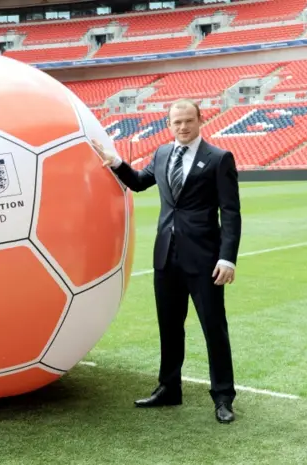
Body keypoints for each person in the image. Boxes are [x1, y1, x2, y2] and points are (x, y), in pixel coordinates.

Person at [91, 98, 241, 424]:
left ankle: (223, 396)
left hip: (205, 261)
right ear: (169, 125)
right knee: (169, 328)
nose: (183, 127)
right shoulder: (161, 153)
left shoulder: (218, 159)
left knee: (214, 328)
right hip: (166, 257)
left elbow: (230, 213)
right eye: (177, 122)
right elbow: (140, 182)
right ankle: (169, 388)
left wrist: (227, 258)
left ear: (201, 120)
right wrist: (115, 163)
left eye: (189, 120)